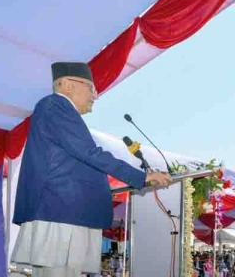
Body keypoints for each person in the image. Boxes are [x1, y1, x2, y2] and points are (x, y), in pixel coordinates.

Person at [11, 62, 171, 277]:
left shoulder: (60, 111)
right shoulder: (55, 106)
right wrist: (141, 177)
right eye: (90, 87)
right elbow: (89, 152)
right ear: (67, 84)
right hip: (61, 211)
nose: (95, 95)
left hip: (68, 213)